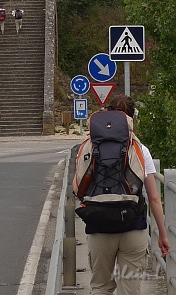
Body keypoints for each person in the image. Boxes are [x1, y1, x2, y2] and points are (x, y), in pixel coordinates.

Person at [84, 95, 170, 295]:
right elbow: (154, 198)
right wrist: (163, 235)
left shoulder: (90, 145)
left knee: (100, 288)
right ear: (132, 119)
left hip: (99, 225)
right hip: (133, 227)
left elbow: (78, 186)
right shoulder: (139, 149)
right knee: (129, 290)